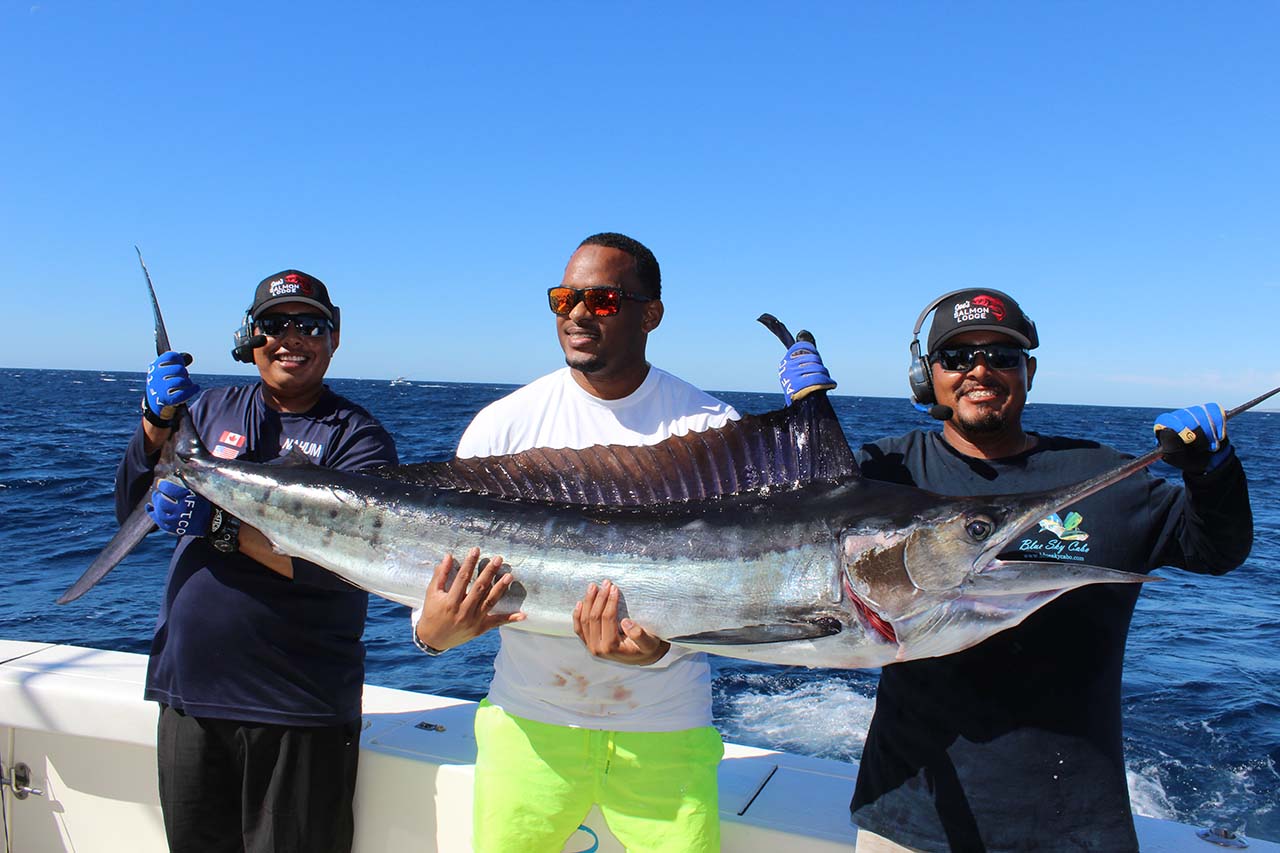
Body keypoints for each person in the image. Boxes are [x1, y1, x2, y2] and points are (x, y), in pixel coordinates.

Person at [779, 288, 1253, 852]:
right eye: (957, 358)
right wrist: (802, 425)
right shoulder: (883, 474)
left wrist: (1213, 472)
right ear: (926, 376)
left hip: (1073, 824)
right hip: (909, 813)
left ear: (1027, 370)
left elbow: (1214, 550)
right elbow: (790, 527)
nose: (980, 371)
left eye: (1001, 357)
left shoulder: (1104, 476)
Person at [411, 233, 740, 853]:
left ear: (651, 314)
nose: (578, 315)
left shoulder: (712, 430)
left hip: (666, 732)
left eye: (603, 300)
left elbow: (729, 595)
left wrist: (659, 651)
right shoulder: (503, 424)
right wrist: (431, 635)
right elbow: (435, 572)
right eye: (564, 299)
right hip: (526, 729)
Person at [116, 269, 398, 853]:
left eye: (309, 324)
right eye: (274, 324)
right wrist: (153, 424)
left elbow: (346, 566)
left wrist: (221, 525)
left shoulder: (359, 439)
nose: (290, 337)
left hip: (298, 707)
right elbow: (130, 509)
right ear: (252, 336)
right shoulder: (208, 409)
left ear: (334, 336)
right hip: (189, 696)